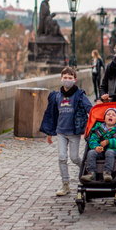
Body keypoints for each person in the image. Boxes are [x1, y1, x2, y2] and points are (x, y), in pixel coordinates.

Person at [40, 67, 93, 196]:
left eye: (70, 78)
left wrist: (90, 126)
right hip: (61, 132)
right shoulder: (56, 96)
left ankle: (89, 171)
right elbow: (51, 115)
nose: (67, 80)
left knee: (74, 158)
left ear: (75, 79)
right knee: (62, 158)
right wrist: (49, 133)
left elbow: (89, 109)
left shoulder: (80, 95)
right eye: (65, 78)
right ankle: (65, 185)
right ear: (61, 78)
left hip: (74, 132)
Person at [81, 108, 116, 182]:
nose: (110, 116)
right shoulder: (98, 129)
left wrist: (109, 142)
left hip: (113, 151)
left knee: (109, 152)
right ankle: (91, 173)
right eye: (108, 114)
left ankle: (107, 173)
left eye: (113, 115)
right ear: (104, 118)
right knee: (91, 152)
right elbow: (93, 139)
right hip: (100, 150)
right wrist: (96, 146)